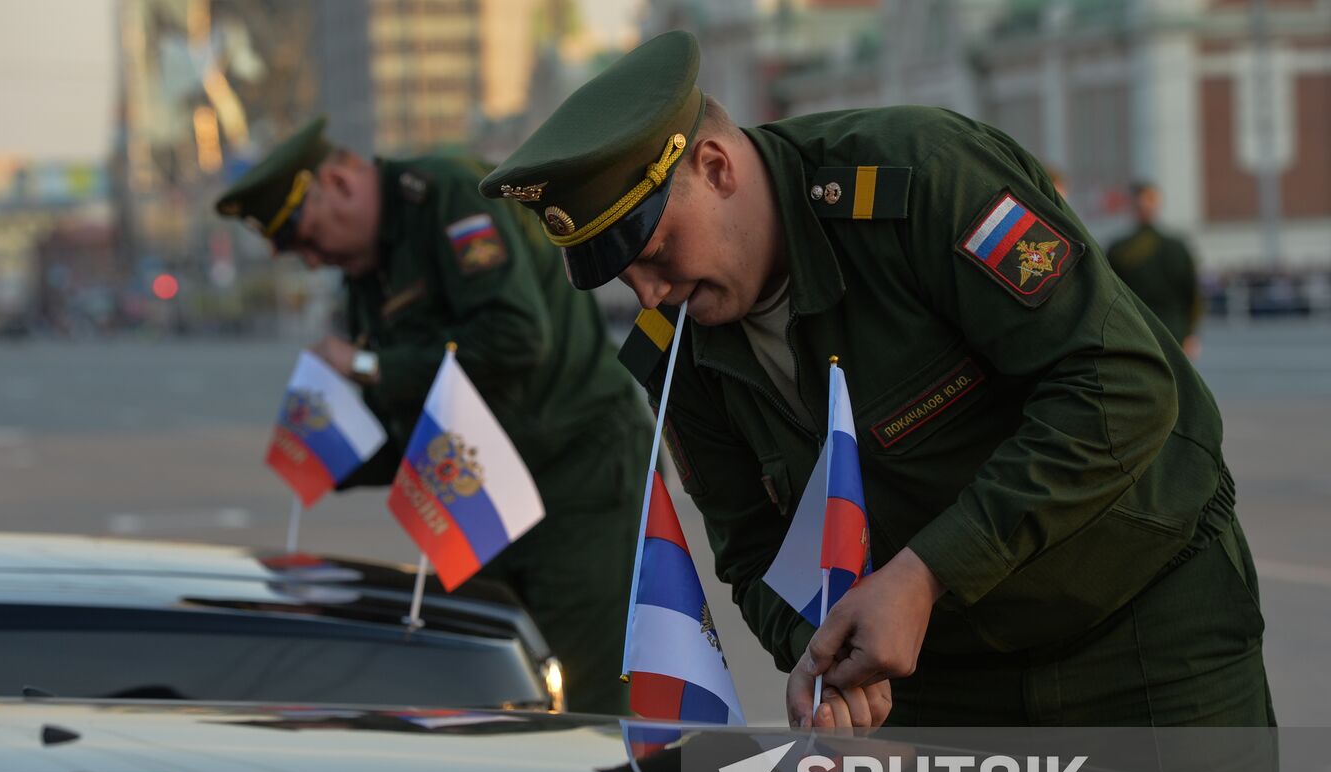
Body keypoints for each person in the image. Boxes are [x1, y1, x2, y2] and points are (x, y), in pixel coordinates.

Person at [479, 31, 1275, 730]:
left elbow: (1122, 385)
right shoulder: (678, 342)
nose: (648, 293)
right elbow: (753, 547)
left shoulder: (919, 182)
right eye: (623, 275)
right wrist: (824, 655)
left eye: (652, 252)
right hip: (941, 682)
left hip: (1145, 638)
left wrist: (924, 575)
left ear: (715, 167)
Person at [215, 117, 649, 713]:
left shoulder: (444, 197)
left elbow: (516, 338)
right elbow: (420, 408)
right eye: (296, 252)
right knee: (483, 693)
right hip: (480, 501)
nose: (312, 262)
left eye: (306, 236)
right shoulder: (365, 273)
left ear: (339, 180)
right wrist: (333, 452)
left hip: (575, 482)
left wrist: (366, 363)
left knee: (587, 702)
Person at [1107, 181, 1204, 358]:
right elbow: (1193, 295)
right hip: (1172, 331)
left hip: (1135, 332)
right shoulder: (1176, 247)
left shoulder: (1118, 248)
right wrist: (1190, 333)